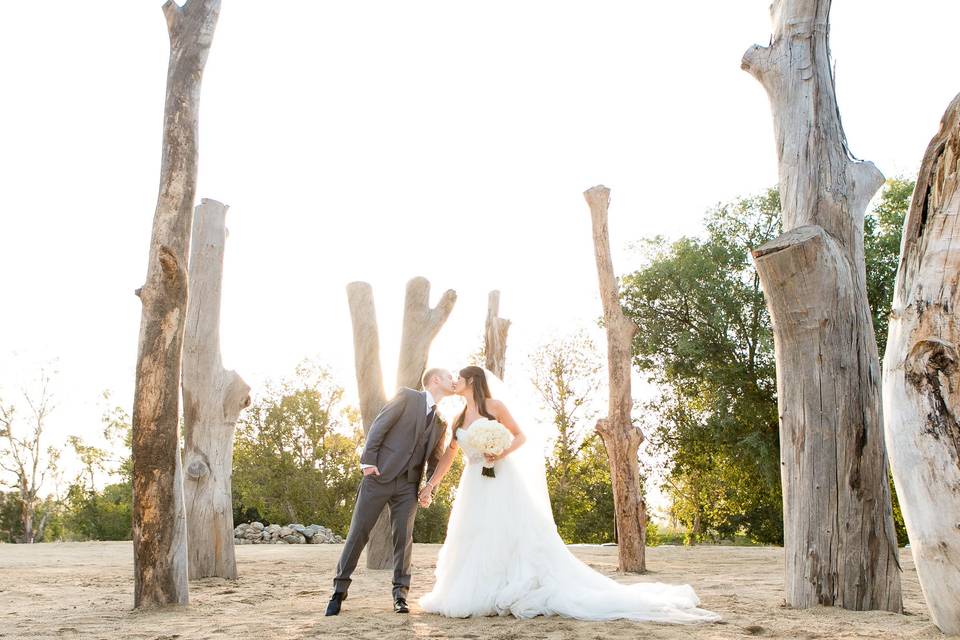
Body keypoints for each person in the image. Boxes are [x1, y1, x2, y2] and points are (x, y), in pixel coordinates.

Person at [417, 366, 719, 623]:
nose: (454, 381)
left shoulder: (494, 408)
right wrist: (431, 485)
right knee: (473, 535)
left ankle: (506, 588)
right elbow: (449, 456)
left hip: (500, 478)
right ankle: (474, 588)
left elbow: (521, 436)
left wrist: (500, 451)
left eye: (458, 377)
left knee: (507, 533)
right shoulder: (458, 417)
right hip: (473, 485)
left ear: (471, 381)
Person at [325, 368, 454, 616]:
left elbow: (436, 458)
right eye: (450, 376)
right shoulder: (407, 397)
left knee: (403, 540)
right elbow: (379, 425)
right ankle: (338, 591)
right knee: (359, 533)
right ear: (435, 379)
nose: (454, 380)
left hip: (409, 486)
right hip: (379, 476)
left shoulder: (442, 421)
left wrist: (429, 488)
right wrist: (368, 461)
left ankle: (400, 596)